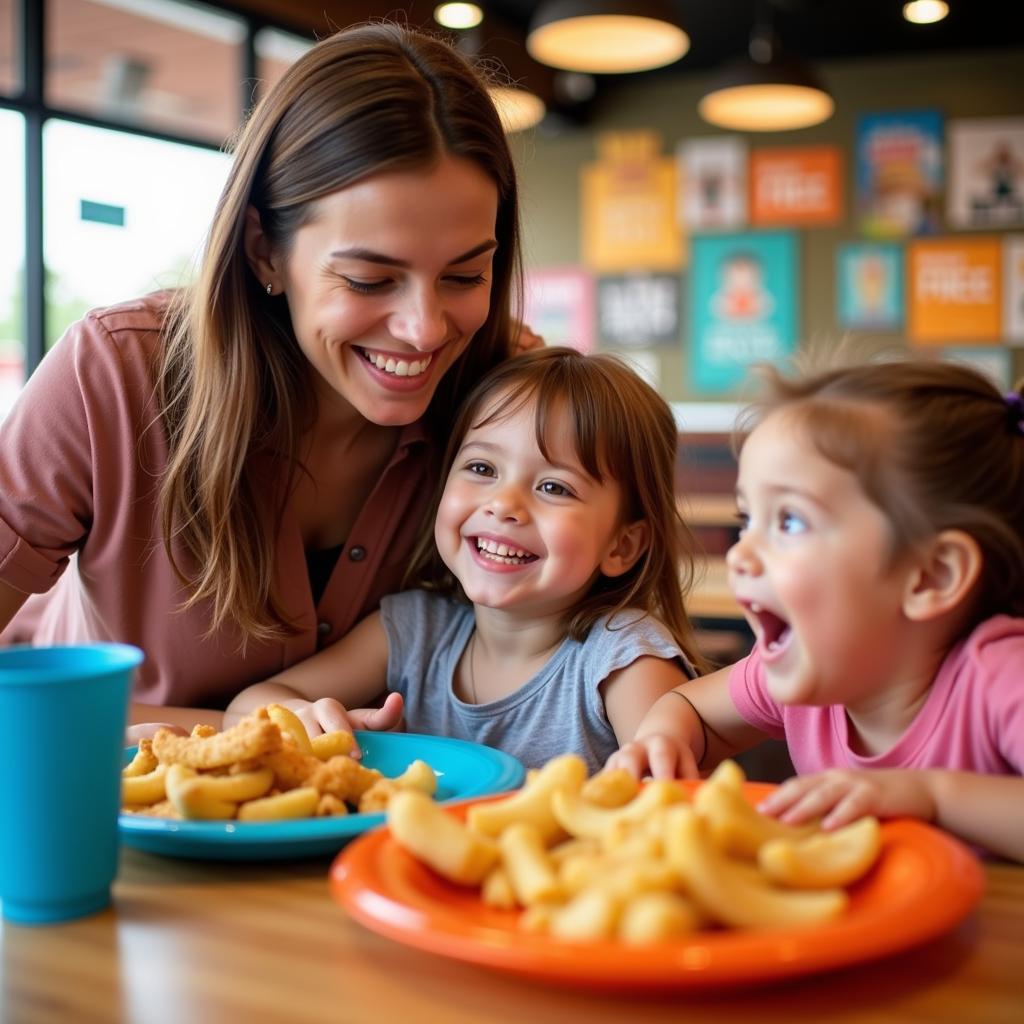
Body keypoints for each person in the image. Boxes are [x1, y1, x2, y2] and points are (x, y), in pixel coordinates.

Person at [0, 23, 536, 736]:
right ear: (264, 251)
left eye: (465, 274)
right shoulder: (114, 373)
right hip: (100, 812)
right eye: (371, 278)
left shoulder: (512, 393)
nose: (426, 328)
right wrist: (252, 735)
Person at [609, 357, 1024, 862]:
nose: (741, 553)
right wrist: (663, 740)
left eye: (790, 522)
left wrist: (933, 797)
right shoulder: (807, 674)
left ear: (931, 576)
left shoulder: (1001, 676)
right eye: (747, 519)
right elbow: (693, 710)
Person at [226, 347, 708, 772]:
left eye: (553, 487)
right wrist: (300, 720)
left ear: (621, 546)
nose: (504, 505)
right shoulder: (416, 630)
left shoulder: (623, 657)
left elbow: (672, 803)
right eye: (482, 468)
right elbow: (251, 704)